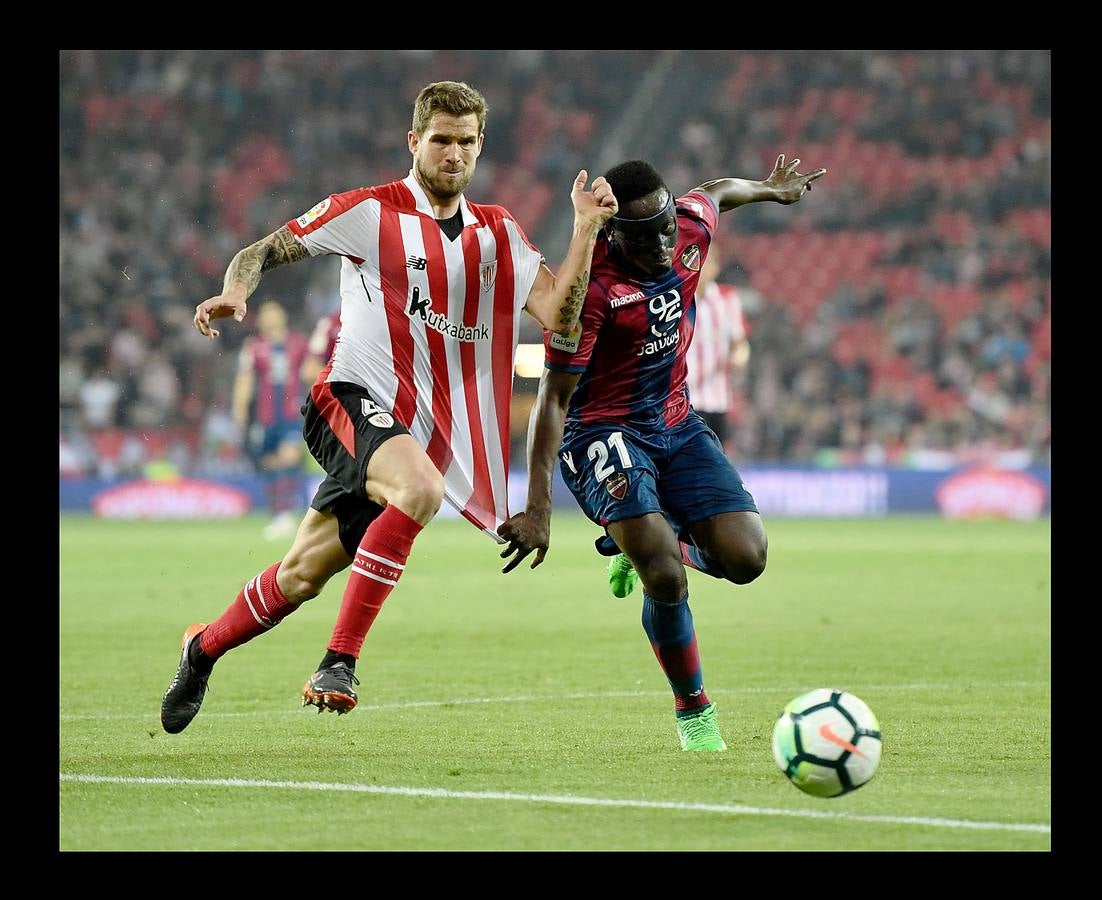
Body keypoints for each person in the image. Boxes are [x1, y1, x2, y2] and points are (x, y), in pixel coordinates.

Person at [161, 80, 618, 733]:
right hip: (347, 400)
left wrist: (584, 232)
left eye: (466, 142)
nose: (453, 154)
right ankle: (338, 664)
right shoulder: (371, 212)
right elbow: (262, 250)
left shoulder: (497, 232)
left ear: (480, 146)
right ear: (414, 142)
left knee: (301, 575)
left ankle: (201, 648)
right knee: (420, 489)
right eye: (440, 140)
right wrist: (236, 290)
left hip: (414, 434)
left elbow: (558, 316)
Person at [498, 155, 824, 751]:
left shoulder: (689, 228)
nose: (664, 242)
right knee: (667, 578)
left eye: (668, 226)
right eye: (646, 236)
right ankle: (694, 710)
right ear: (613, 231)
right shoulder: (588, 292)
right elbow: (552, 399)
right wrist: (538, 507)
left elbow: (717, 190)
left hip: (676, 420)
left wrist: (771, 192)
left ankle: (641, 539)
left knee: (747, 559)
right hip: (602, 432)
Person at [232, 299, 308, 540]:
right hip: (266, 416)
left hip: (291, 413)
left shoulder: (298, 343)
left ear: (282, 316)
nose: (269, 318)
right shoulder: (254, 346)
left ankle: (287, 515)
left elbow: (311, 370)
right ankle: (278, 515)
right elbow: (245, 378)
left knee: (289, 456)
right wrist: (240, 408)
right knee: (271, 463)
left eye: (273, 313)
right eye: (265, 314)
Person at [684, 247, 750, 453]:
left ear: (715, 267)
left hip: (718, 399)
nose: (702, 267)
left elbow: (740, 343)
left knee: (717, 458)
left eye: (707, 261)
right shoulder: (679, 299)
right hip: (685, 401)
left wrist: (740, 357)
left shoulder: (728, 299)